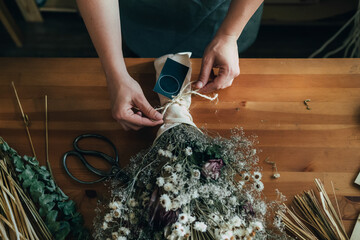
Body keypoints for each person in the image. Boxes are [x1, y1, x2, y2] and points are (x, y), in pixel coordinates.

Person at [76, 0, 263, 131]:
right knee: (140, 58)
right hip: (141, 17)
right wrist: (115, 74)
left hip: (225, 15)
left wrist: (229, 35)